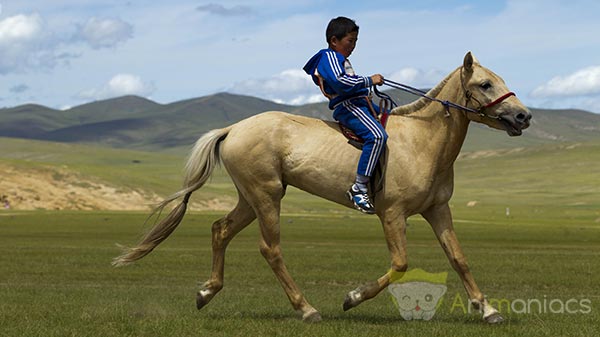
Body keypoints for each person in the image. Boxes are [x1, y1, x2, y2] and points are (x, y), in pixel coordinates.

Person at [303, 16, 388, 214]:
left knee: (397, 120)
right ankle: (359, 188)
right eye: (350, 41)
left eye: (355, 42)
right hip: (349, 106)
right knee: (377, 136)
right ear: (334, 41)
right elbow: (341, 82)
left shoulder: (341, 59)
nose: (353, 46)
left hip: (362, 103)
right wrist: (369, 80)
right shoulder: (329, 57)